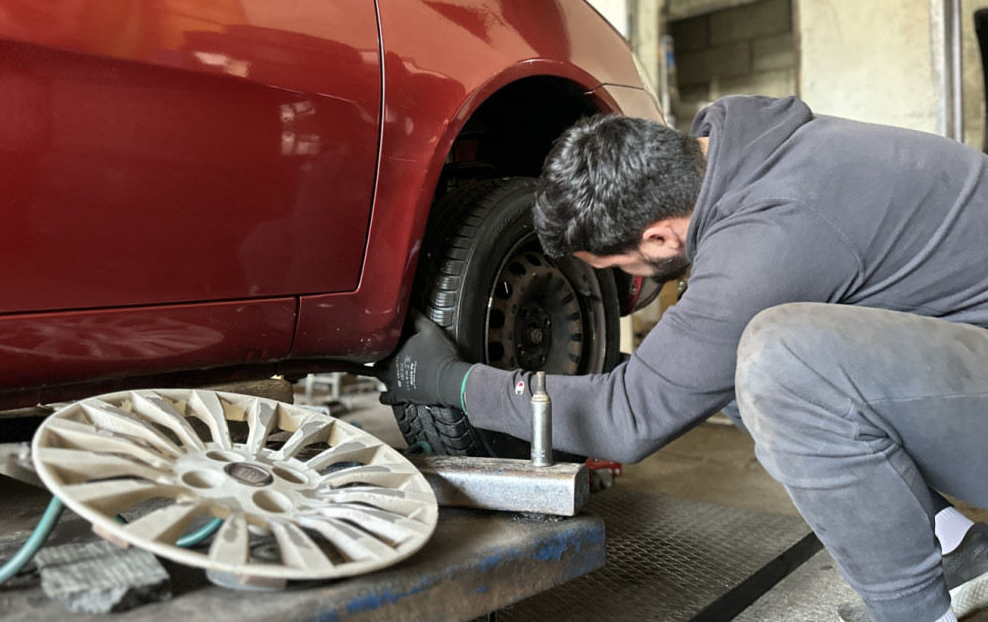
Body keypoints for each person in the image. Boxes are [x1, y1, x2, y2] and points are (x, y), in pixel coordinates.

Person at [373, 95, 988, 622]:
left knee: (782, 363)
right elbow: (682, 372)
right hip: (963, 348)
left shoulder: (769, 237)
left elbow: (625, 422)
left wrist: (451, 381)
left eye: (620, 267)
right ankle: (958, 548)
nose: (630, 283)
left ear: (661, 237)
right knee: (736, 370)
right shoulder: (739, 150)